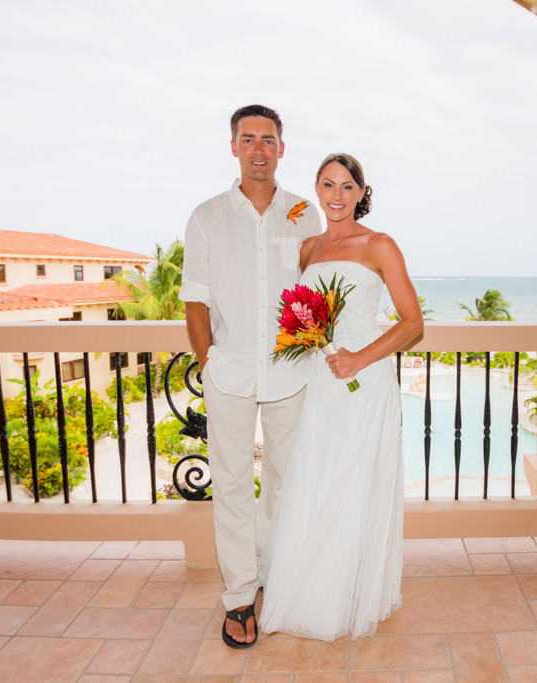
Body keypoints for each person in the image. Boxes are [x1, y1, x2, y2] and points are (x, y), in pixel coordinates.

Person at [259, 153, 423, 641]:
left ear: (361, 193)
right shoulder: (306, 249)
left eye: (347, 186)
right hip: (318, 382)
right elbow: (299, 312)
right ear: (316, 189)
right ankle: (310, 588)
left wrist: (359, 359)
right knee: (315, 479)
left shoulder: (379, 244)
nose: (336, 196)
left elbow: (413, 324)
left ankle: (348, 594)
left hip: (362, 382)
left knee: (354, 484)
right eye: (327, 185)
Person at [180, 105, 322, 648]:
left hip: (292, 372)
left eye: (268, 139)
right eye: (248, 139)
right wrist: (207, 359)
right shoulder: (205, 216)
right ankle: (239, 593)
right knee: (234, 484)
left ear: (282, 149)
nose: (259, 148)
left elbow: (318, 290)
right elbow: (194, 299)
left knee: (285, 484)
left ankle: (273, 574)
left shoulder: (305, 214)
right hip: (229, 371)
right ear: (234, 147)